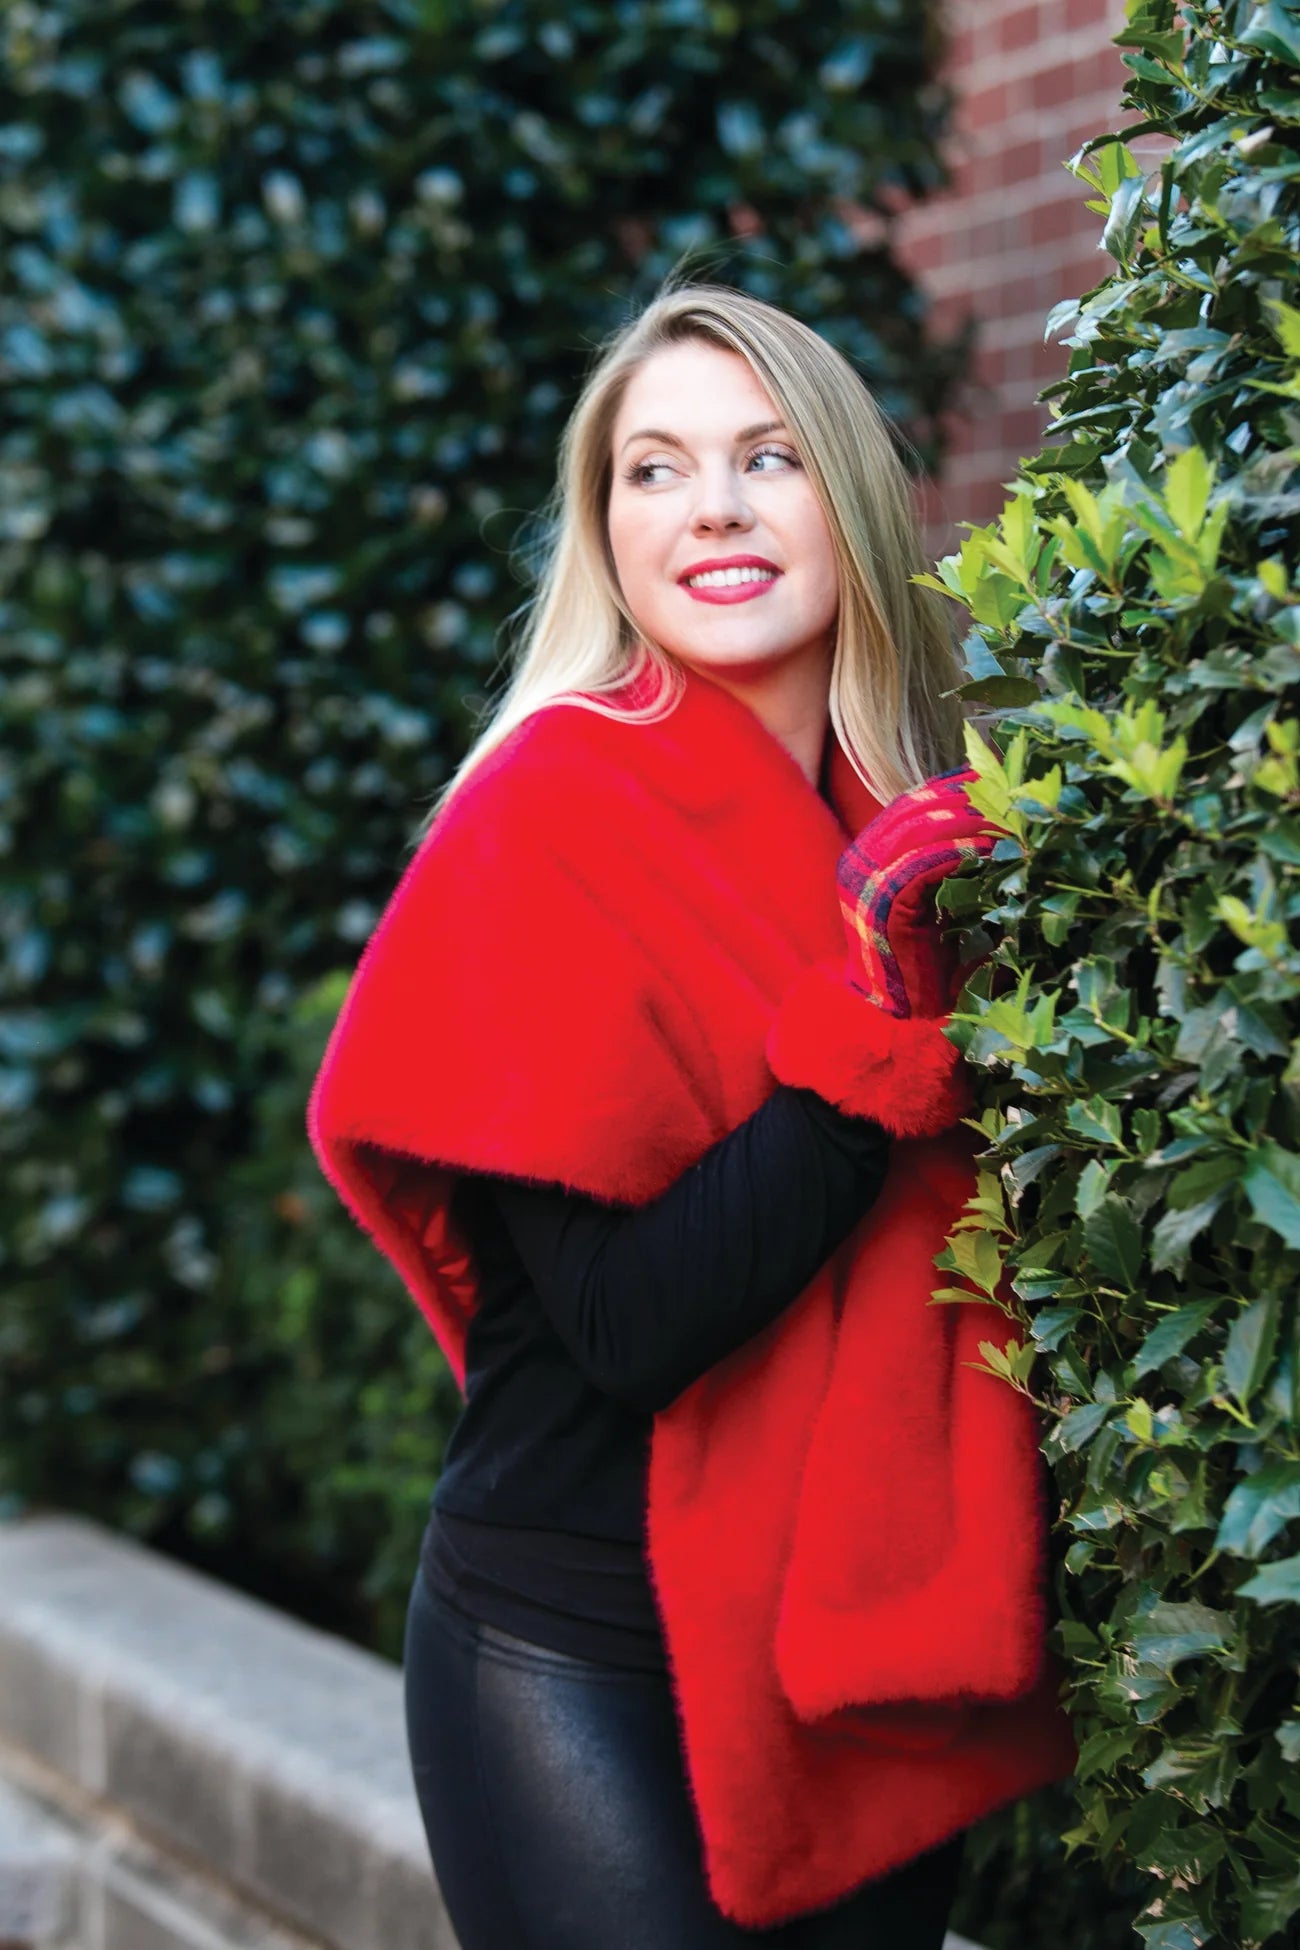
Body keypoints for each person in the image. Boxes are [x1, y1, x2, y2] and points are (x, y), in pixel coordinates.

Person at [307, 281, 1076, 1950]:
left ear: (851, 503)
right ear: (608, 535)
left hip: (851, 1658)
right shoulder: (545, 823)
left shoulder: (931, 837)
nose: (712, 507)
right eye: (652, 470)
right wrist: (874, 1026)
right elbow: (630, 1323)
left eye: (767, 457)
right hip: (575, 1648)